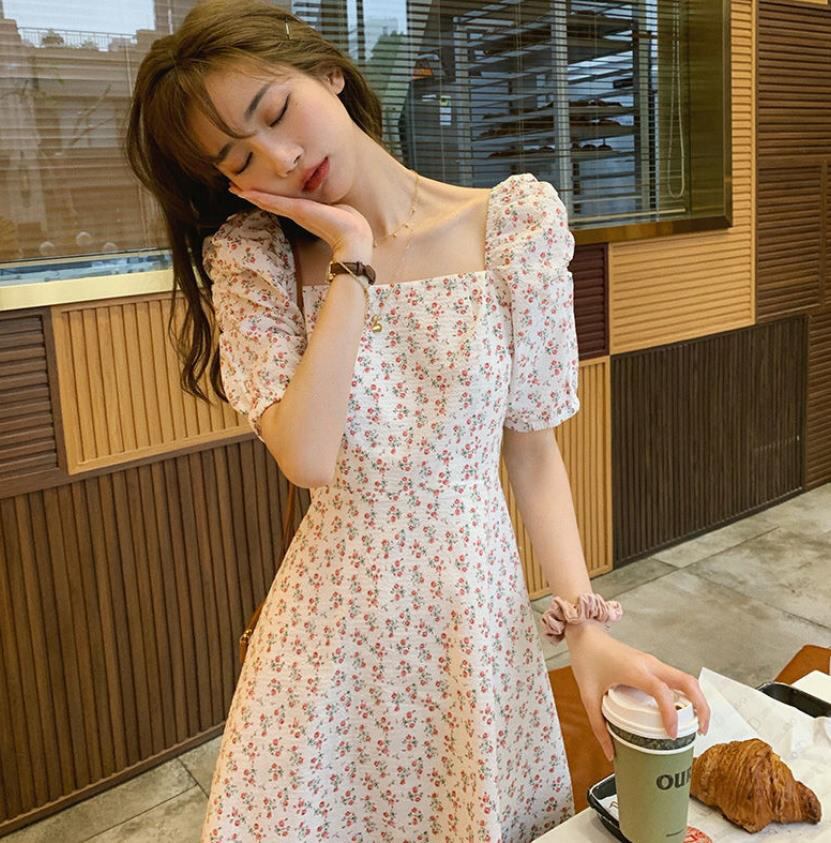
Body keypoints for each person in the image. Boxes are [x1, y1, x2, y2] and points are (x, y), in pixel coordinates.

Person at [125, 2, 711, 840]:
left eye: (277, 111)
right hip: (332, 633)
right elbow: (307, 455)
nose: (281, 158)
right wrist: (352, 259)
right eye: (241, 159)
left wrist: (584, 629)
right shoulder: (255, 260)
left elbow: (532, 452)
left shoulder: (512, 226)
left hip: (473, 615)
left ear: (328, 72)